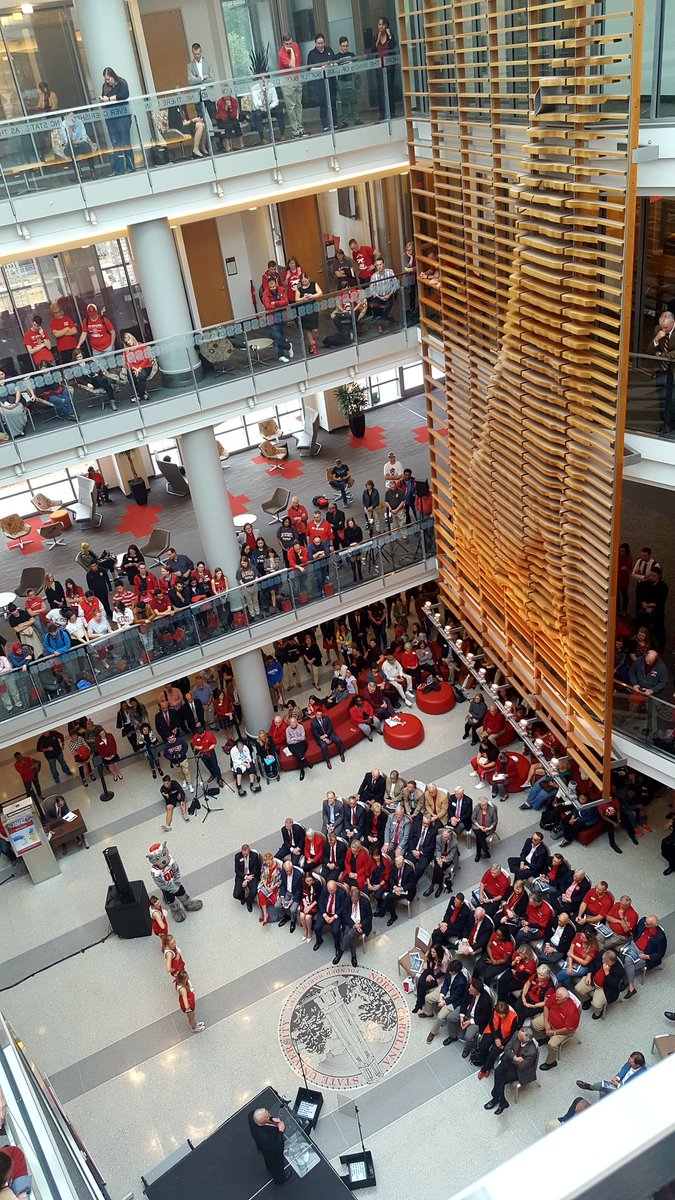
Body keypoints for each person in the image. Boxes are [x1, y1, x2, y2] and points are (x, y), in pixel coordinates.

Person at [484, 1028, 538, 1114]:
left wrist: (511, 1055)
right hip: (509, 1060)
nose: (517, 1036)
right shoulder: (517, 1034)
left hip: (518, 1071)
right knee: (498, 1071)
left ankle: (496, 1097)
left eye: (520, 1036)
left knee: (501, 1079)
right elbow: (507, 1048)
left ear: (526, 1039)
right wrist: (515, 1058)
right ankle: (502, 1101)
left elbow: (522, 1067)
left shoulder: (532, 1051)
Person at [532, 985, 581, 1069]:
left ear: (565, 998)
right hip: (550, 1020)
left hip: (562, 1030)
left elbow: (569, 1029)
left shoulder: (572, 1011)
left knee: (552, 1044)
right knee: (534, 1024)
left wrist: (554, 1032)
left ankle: (551, 1062)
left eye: (559, 998)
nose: (556, 998)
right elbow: (547, 1006)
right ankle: (544, 1037)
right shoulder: (555, 997)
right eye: (556, 996)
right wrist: (546, 1023)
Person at [100, 67, 134, 175]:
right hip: (111, 118)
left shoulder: (121, 83)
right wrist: (103, 101)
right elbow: (103, 99)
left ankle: (130, 166)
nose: (107, 81)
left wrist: (109, 99)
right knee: (115, 143)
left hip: (123, 116)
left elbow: (124, 95)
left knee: (125, 141)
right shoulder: (105, 87)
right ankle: (118, 169)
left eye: (108, 79)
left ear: (113, 76)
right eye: (105, 79)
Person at [248, 1107, 291, 1186]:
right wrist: (281, 1130)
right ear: (262, 1121)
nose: (270, 1115)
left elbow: (257, 1115)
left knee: (268, 1160)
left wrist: (271, 1119)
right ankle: (279, 1179)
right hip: (273, 1153)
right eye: (268, 1116)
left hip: (264, 1150)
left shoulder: (251, 1117)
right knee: (277, 1166)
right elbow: (278, 1147)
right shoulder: (265, 1137)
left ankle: (269, 1168)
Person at [576, 1051, 647, 1098]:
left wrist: (618, 1085)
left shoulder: (641, 1077)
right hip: (619, 1083)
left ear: (637, 1065)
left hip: (624, 1092)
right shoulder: (631, 1063)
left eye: (631, 1062)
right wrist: (618, 1078)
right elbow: (625, 1068)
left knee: (602, 1087)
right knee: (603, 1090)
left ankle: (589, 1087)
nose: (628, 1061)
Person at [651, 309, 675, 433]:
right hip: (661, 369)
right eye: (662, 327)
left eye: (666, 328)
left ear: (673, 323)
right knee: (661, 396)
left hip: (672, 370)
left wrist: (663, 354)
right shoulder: (658, 330)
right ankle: (664, 421)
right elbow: (649, 350)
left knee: (670, 397)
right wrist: (656, 339)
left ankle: (669, 423)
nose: (664, 330)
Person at [307, 33, 337, 130]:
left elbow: (335, 63)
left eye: (322, 43)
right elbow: (309, 69)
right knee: (323, 104)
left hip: (331, 81)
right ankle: (325, 125)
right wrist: (321, 68)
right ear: (315, 43)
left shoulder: (329, 51)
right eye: (318, 43)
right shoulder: (312, 54)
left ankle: (334, 123)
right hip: (319, 84)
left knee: (333, 103)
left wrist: (332, 66)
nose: (320, 45)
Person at [262, 276, 294, 362]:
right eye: (270, 287)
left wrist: (275, 303)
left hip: (282, 316)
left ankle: (281, 355)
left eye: (273, 286)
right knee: (276, 336)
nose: (272, 288)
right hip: (271, 318)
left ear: (276, 284)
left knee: (281, 335)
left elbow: (286, 301)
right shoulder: (265, 293)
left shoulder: (281, 290)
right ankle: (288, 346)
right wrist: (280, 304)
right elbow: (268, 306)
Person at [278, 34, 304, 138]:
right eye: (287, 44)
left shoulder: (295, 45)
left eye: (291, 43)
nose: (290, 45)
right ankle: (295, 130)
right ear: (283, 43)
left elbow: (299, 62)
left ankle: (301, 127)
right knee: (291, 106)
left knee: (299, 104)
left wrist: (293, 48)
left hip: (297, 78)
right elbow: (292, 65)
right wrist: (291, 51)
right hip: (287, 81)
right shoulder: (282, 53)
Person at [250, 74, 285, 143]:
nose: (263, 82)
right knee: (257, 115)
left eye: (265, 80)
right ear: (258, 80)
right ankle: (262, 138)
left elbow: (276, 100)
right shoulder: (254, 88)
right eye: (261, 80)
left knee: (279, 110)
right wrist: (263, 93)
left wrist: (269, 107)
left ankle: (282, 134)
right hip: (260, 109)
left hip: (270, 107)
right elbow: (256, 104)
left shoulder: (271, 86)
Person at [187, 43, 217, 123]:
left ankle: (218, 135)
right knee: (201, 119)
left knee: (214, 117)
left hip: (209, 93)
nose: (197, 56)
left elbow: (212, 79)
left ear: (201, 52)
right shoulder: (190, 66)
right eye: (195, 54)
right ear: (192, 53)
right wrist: (203, 77)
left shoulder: (208, 63)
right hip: (198, 94)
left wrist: (196, 79)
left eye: (198, 54)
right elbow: (190, 81)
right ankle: (204, 135)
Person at [369, 254, 398, 332]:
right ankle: (383, 319)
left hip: (389, 294)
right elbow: (372, 290)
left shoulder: (390, 272)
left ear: (384, 264)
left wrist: (389, 294)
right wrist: (380, 297)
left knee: (389, 305)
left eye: (380, 264)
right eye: (377, 265)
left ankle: (380, 323)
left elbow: (396, 284)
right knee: (375, 305)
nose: (379, 266)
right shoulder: (374, 276)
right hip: (379, 297)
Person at [335, 37, 360, 126]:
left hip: (351, 79)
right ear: (340, 46)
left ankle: (357, 119)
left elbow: (357, 65)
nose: (345, 48)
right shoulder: (337, 57)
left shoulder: (352, 55)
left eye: (346, 46)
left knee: (354, 100)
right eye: (343, 46)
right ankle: (345, 121)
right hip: (342, 81)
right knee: (344, 102)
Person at [122, 332, 155, 400]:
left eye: (129, 340)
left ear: (132, 338)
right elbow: (128, 362)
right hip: (134, 368)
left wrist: (139, 368)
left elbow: (146, 359)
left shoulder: (141, 345)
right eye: (126, 342)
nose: (128, 342)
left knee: (142, 375)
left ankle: (139, 395)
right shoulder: (126, 350)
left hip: (145, 366)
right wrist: (135, 368)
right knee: (130, 376)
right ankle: (142, 394)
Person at [174, 969, 205, 1033]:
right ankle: (194, 1027)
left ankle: (194, 1023)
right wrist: (189, 1006)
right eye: (187, 977)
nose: (188, 977)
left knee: (192, 1016)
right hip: (188, 1006)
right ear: (183, 980)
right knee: (191, 1017)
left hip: (189, 1001)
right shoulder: (183, 989)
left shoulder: (181, 983)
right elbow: (186, 1003)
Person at [257, 853, 281, 927]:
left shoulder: (278, 868)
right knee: (260, 894)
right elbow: (263, 877)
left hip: (274, 886)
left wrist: (272, 888)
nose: (268, 864)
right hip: (266, 885)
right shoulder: (264, 866)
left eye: (269, 862)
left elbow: (280, 881)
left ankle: (265, 914)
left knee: (270, 899)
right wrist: (266, 887)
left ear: (272, 860)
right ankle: (265, 914)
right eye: (267, 863)